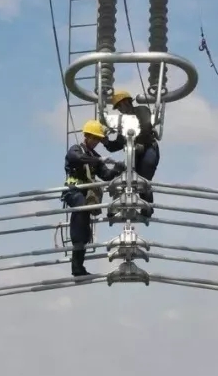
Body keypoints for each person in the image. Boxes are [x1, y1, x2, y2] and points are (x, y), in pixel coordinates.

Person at [64, 120, 126, 277]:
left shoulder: (94, 155)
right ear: (87, 136)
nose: (96, 142)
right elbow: (76, 158)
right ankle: (76, 264)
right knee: (81, 208)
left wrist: (117, 169)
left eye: (98, 140)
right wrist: (98, 160)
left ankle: (79, 266)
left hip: (87, 193)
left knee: (84, 227)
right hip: (74, 191)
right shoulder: (76, 149)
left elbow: (105, 175)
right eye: (95, 139)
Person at [103, 89, 159, 214]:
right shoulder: (123, 121)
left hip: (148, 148)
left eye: (120, 105)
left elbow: (146, 126)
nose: (120, 109)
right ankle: (118, 205)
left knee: (144, 176)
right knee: (124, 176)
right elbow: (118, 143)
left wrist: (139, 143)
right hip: (133, 152)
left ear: (127, 102)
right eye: (118, 108)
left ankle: (147, 208)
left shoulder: (142, 110)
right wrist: (106, 142)